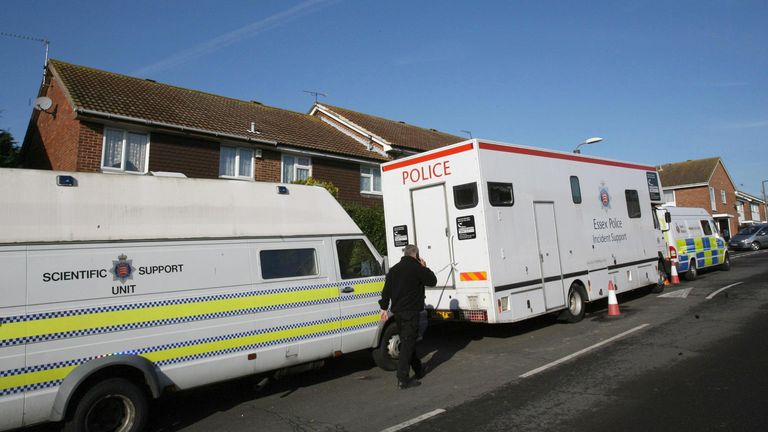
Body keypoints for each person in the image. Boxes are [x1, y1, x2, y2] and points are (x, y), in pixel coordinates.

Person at [379, 244, 437, 389]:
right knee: (408, 343)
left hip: (398, 313)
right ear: (416, 255)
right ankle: (402, 378)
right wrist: (424, 267)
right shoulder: (417, 268)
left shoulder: (394, 270)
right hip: (411, 312)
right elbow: (432, 281)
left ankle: (418, 369)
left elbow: (386, 291)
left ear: (404, 254)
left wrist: (383, 308)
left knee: (408, 341)